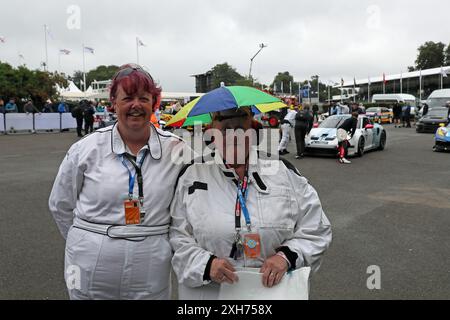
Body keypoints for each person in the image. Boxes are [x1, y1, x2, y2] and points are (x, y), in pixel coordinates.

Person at [49, 63, 186, 300]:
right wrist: (84, 240)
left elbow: (190, 205)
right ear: (113, 102)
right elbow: (60, 205)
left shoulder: (176, 149)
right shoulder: (85, 149)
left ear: (154, 103)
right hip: (91, 264)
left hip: (150, 266)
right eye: (128, 98)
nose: (136, 105)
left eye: (144, 98)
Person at [169, 107, 332, 300]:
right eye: (225, 128)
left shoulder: (283, 171)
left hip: (274, 293)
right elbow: (177, 237)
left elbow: (317, 228)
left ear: (253, 130)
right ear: (212, 132)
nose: (233, 135)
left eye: (240, 127)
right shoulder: (191, 174)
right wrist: (205, 265)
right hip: (211, 293)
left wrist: (286, 257)